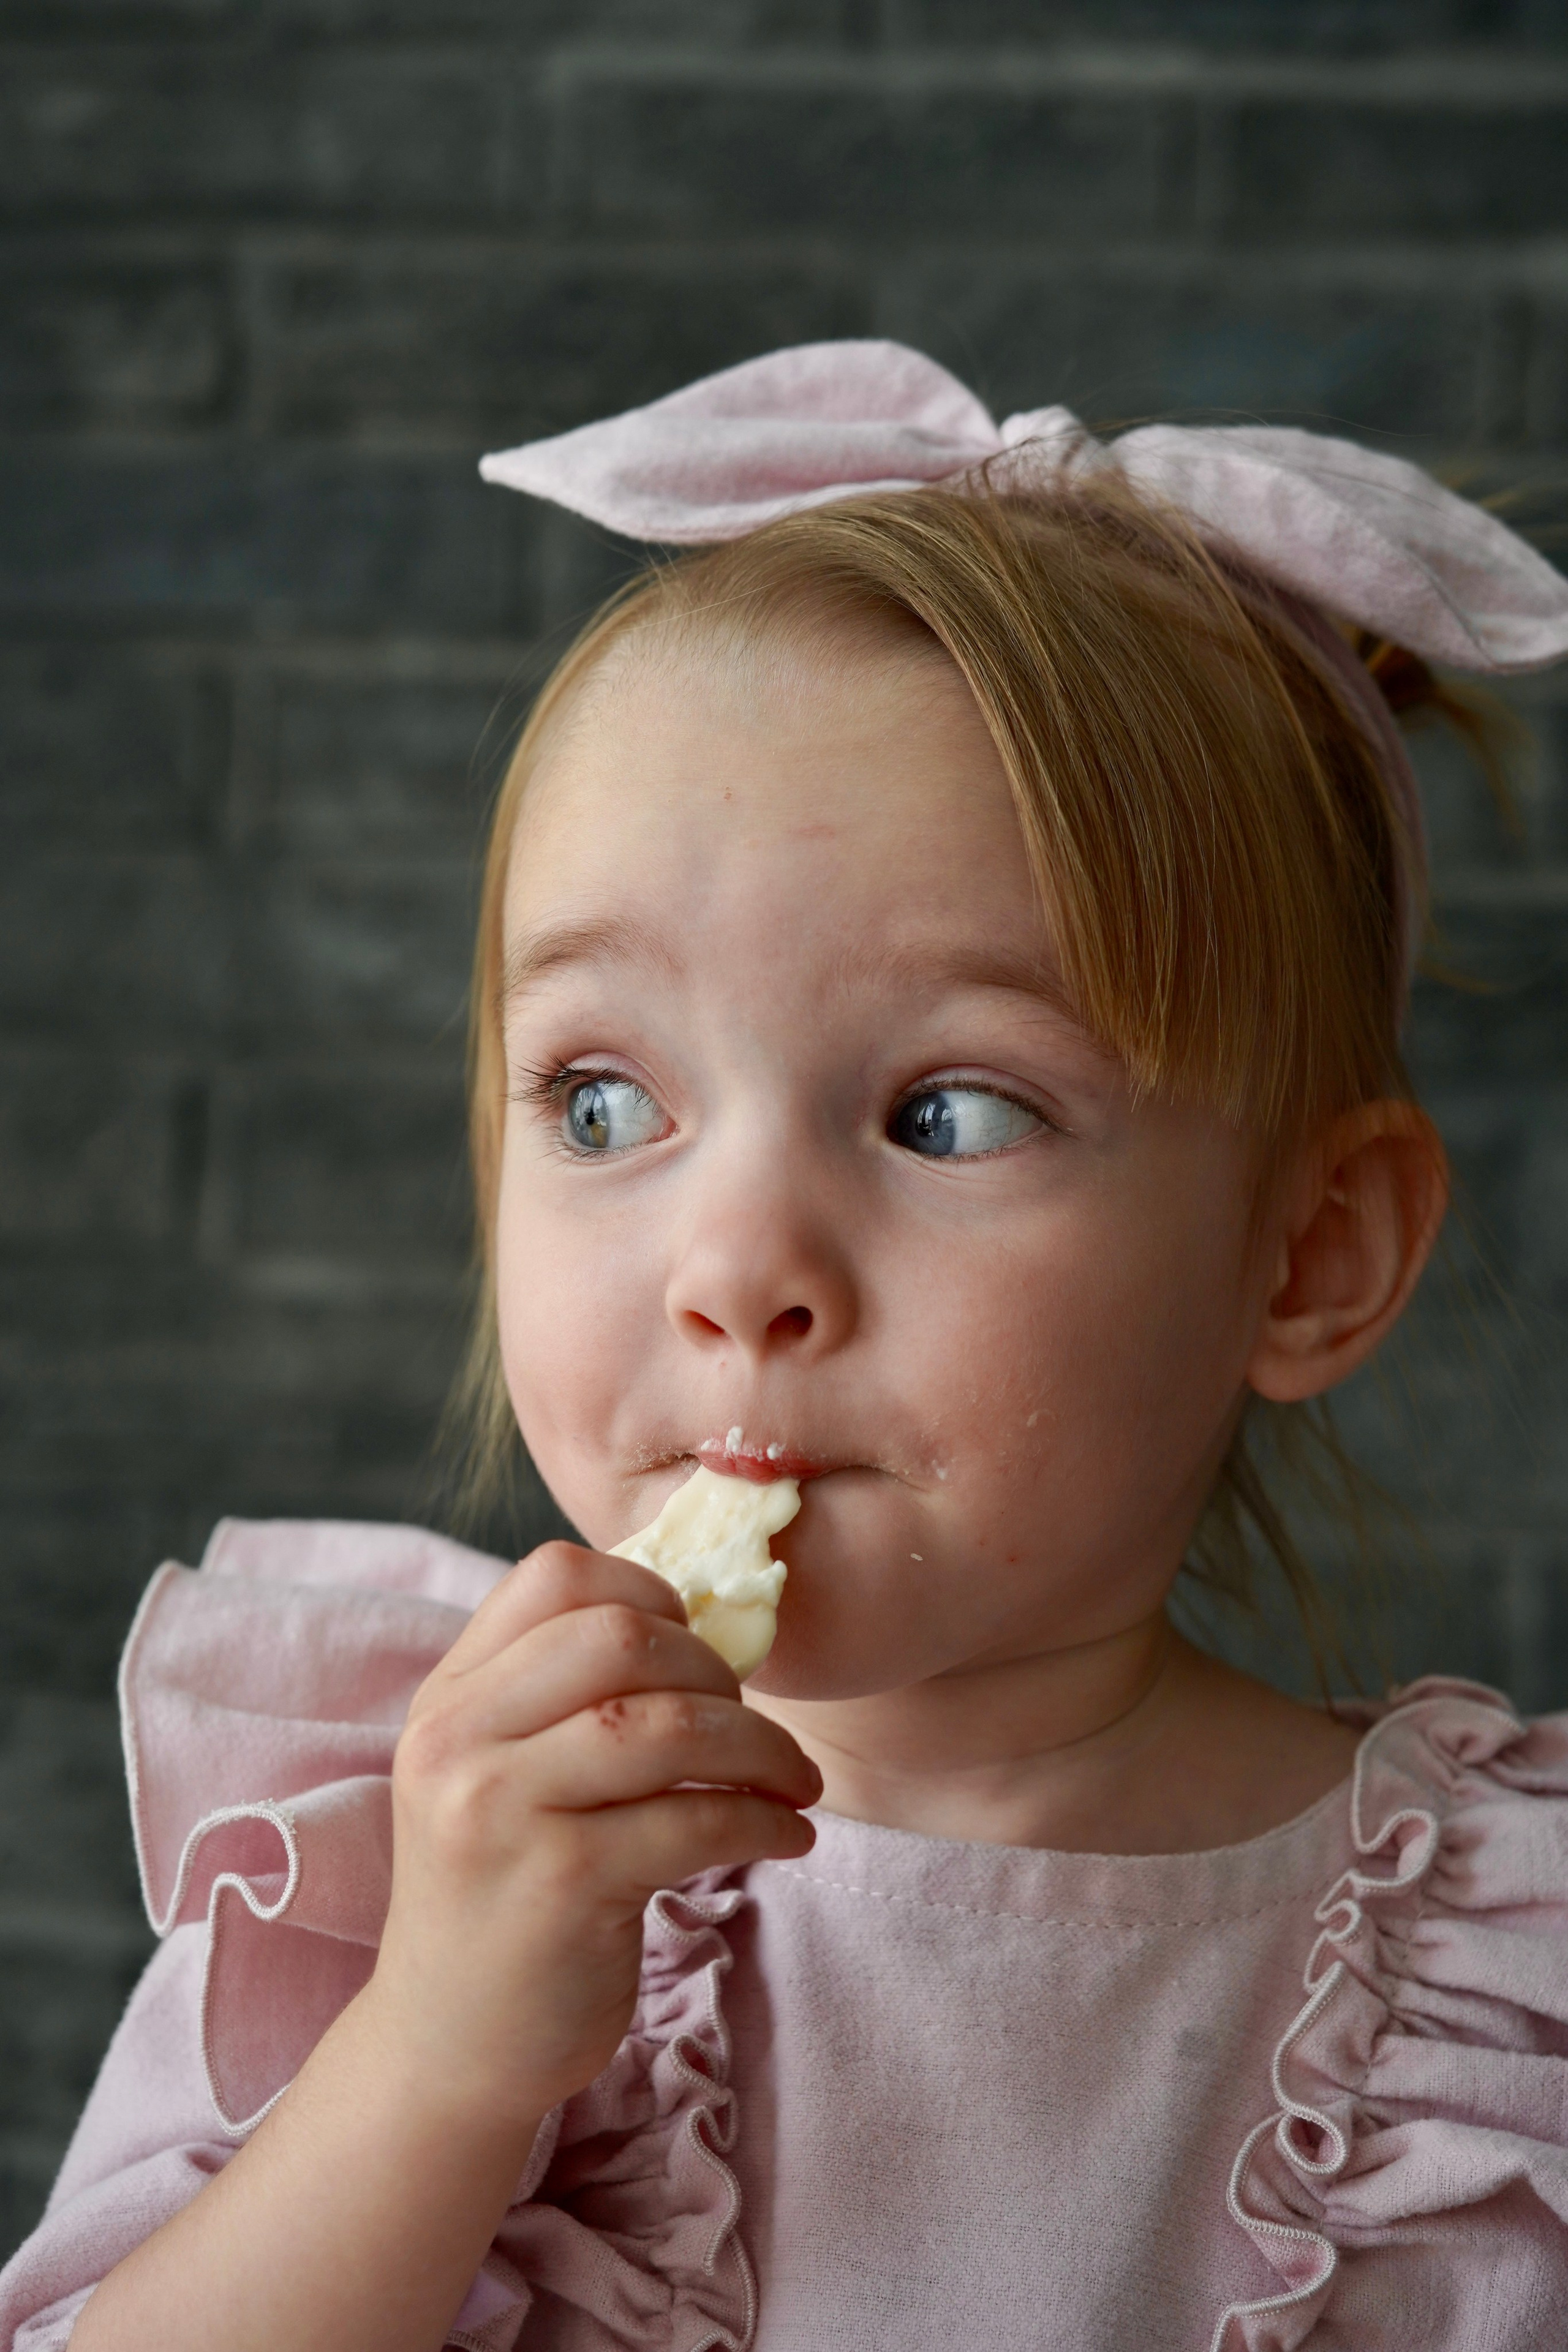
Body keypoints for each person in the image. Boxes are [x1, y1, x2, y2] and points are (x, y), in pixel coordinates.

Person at [6, 341, 1568, 2352]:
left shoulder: (1493, 1993)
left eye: (950, 1113)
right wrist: (440, 2066)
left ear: (1306, 1258)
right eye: (599, 1102)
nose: (736, 1267)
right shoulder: (413, 1864)